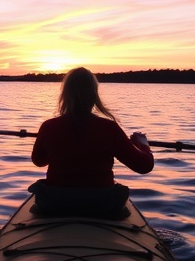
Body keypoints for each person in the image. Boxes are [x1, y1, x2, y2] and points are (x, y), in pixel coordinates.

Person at [29, 67, 154, 217]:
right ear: (94, 95)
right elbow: (144, 166)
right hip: (102, 204)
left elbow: (38, 161)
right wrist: (142, 143)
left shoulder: (49, 126)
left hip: (55, 202)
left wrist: (60, 149)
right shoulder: (109, 128)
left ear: (65, 94)